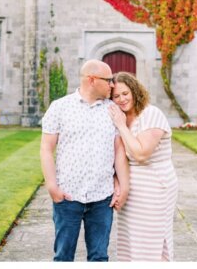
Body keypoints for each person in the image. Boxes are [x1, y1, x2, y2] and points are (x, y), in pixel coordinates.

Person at [40, 59, 130, 261]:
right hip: (68, 196)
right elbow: (46, 149)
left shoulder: (113, 110)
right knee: (63, 257)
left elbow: (119, 152)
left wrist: (123, 187)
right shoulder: (60, 107)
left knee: (99, 257)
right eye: (108, 80)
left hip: (102, 197)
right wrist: (52, 186)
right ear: (91, 79)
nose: (113, 85)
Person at [108, 72, 178, 261]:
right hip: (130, 190)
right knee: (130, 240)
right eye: (116, 96)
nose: (121, 99)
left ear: (135, 91)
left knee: (153, 241)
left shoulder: (151, 114)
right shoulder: (119, 118)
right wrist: (117, 183)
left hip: (155, 186)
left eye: (125, 93)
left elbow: (140, 154)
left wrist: (121, 126)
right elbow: (116, 156)